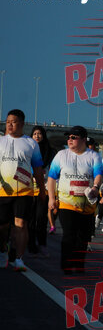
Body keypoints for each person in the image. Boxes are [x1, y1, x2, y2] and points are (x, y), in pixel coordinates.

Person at [47, 126, 103, 274]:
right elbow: (52, 177)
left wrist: (95, 187)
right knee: (69, 233)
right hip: (67, 203)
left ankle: (79, 263)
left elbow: (98, 175)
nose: (69, 140)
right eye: (68, 137)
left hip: (86, 204)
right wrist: (51, 198)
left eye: (73, 137)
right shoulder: (61, 155)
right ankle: (66, 264)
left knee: (83, 236)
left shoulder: (94, 156)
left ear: (83, 139)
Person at [0, 109, 47, 271]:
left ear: (22, 123)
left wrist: (42, 190)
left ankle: (19, 259)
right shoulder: (1, 141)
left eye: (13, 122)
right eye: (7, 122)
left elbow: (38, 169)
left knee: (21, 224)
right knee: (3, 226)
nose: (9, 125)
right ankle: (3, 250)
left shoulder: (31, 144)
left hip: (24, 191)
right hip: (3, 192)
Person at [27, 126, 56, 256]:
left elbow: (54, 171)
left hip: (44, 190)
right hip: (29, 190)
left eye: (39, 133)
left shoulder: (50, 152)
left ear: (43, 136)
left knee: (41, 218)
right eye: (34, 134)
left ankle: (42, 244)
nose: (37, 136)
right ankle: (31, 245)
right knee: (30, 219)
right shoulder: (27, 150)